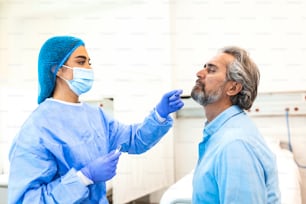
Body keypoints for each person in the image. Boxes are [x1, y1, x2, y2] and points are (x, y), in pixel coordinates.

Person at [8, 36, 184, 204]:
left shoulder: (95, 116)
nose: (88, 69)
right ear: (57, 70)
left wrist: (160, 115)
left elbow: (134, 140)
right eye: (80, 62)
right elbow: (28, 200)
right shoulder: (37, 128)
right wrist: (84, 177)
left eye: (89, 63)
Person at [190, 46, 280, 203]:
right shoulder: (223, 132)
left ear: (233, 88)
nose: (199, 73)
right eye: (204, 67)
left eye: (211, 70)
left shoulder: (234, 145)